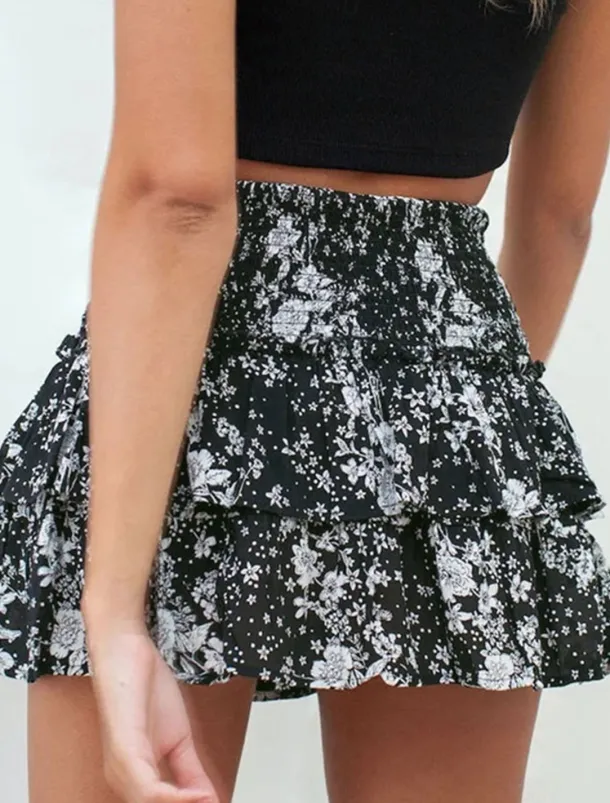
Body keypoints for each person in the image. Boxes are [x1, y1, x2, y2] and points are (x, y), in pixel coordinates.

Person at [1, 0, 609, 801]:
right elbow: (560, 214)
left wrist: (113, 609)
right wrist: (467, 426)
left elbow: (177, 198)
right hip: (446, 394)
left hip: (194, 377)